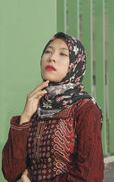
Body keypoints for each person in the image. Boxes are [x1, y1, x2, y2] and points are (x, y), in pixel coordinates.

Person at [2, 32, 104, 182]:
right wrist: (24, 117)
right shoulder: (37, 109)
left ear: (76, 64)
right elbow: (11, 173)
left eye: (63, 54)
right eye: (48, 52)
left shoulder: (85, 109)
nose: (52, 58)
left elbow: (89, 175)